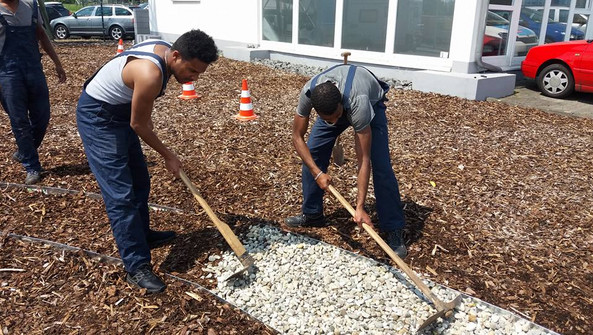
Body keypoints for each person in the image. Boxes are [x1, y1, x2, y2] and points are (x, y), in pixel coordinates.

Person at [76, 30, 218, 293]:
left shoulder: (165, 53)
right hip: (99, 117)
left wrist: (151, 136)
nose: (193, 78)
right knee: (121, 196)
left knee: (140, 179)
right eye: (192, 70)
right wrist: (168, 155)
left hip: (120, 110)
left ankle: (142, 235)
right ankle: (136, 265)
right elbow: (138, 123)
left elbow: (140, 117)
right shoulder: (150, 73)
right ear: (176, 56)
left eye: (199, 73)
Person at [285, 64, 408, 258]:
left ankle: (393, 228)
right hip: (335, 106)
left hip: (370, 104)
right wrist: (317, 173)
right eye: (328, 120)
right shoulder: (308, 93)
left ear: (340, 105)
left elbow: (363, 160)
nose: (334, 123)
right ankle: (312, 214)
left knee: (381, 164)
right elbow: (297, 137)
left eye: (336, 118)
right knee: (313, 153)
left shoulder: (358, 104)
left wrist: (360, 207)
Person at [0, 0, 66, 184]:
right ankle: (32, 166)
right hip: (7, 72)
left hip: (33, 69)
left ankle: (24, 151)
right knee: (18, 120)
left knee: (42, 116)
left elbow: (42, 36)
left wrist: (57, 63)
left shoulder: (30, 6)